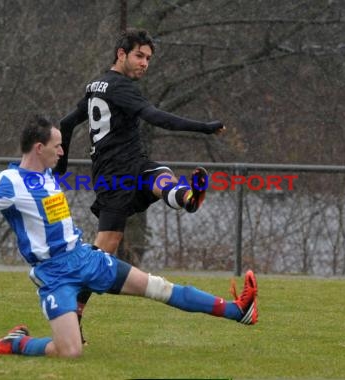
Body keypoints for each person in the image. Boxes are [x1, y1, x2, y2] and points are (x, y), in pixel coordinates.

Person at [0, 115, 257, 358]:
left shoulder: (48, 175)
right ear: (39, 147)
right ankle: (18, 342)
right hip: (54, 274)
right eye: (57, 146)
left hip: (83, 257)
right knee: (71, 352)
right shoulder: (9, 181)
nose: (62, 151)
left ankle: (237, 310)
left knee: (159, 288)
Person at [55, 28, 227, 335]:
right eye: (139, 56)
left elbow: (67, 123)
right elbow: (156, 116)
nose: (144, 63)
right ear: (121, 54)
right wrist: (204, 128)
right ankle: (73, 312)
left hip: (132, 165)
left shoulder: (96, 85)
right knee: (104, 250)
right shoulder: (120, 86)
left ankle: (188, 198)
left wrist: (61, 168)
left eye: (148, 58)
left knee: (161, 176)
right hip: (114, 176)